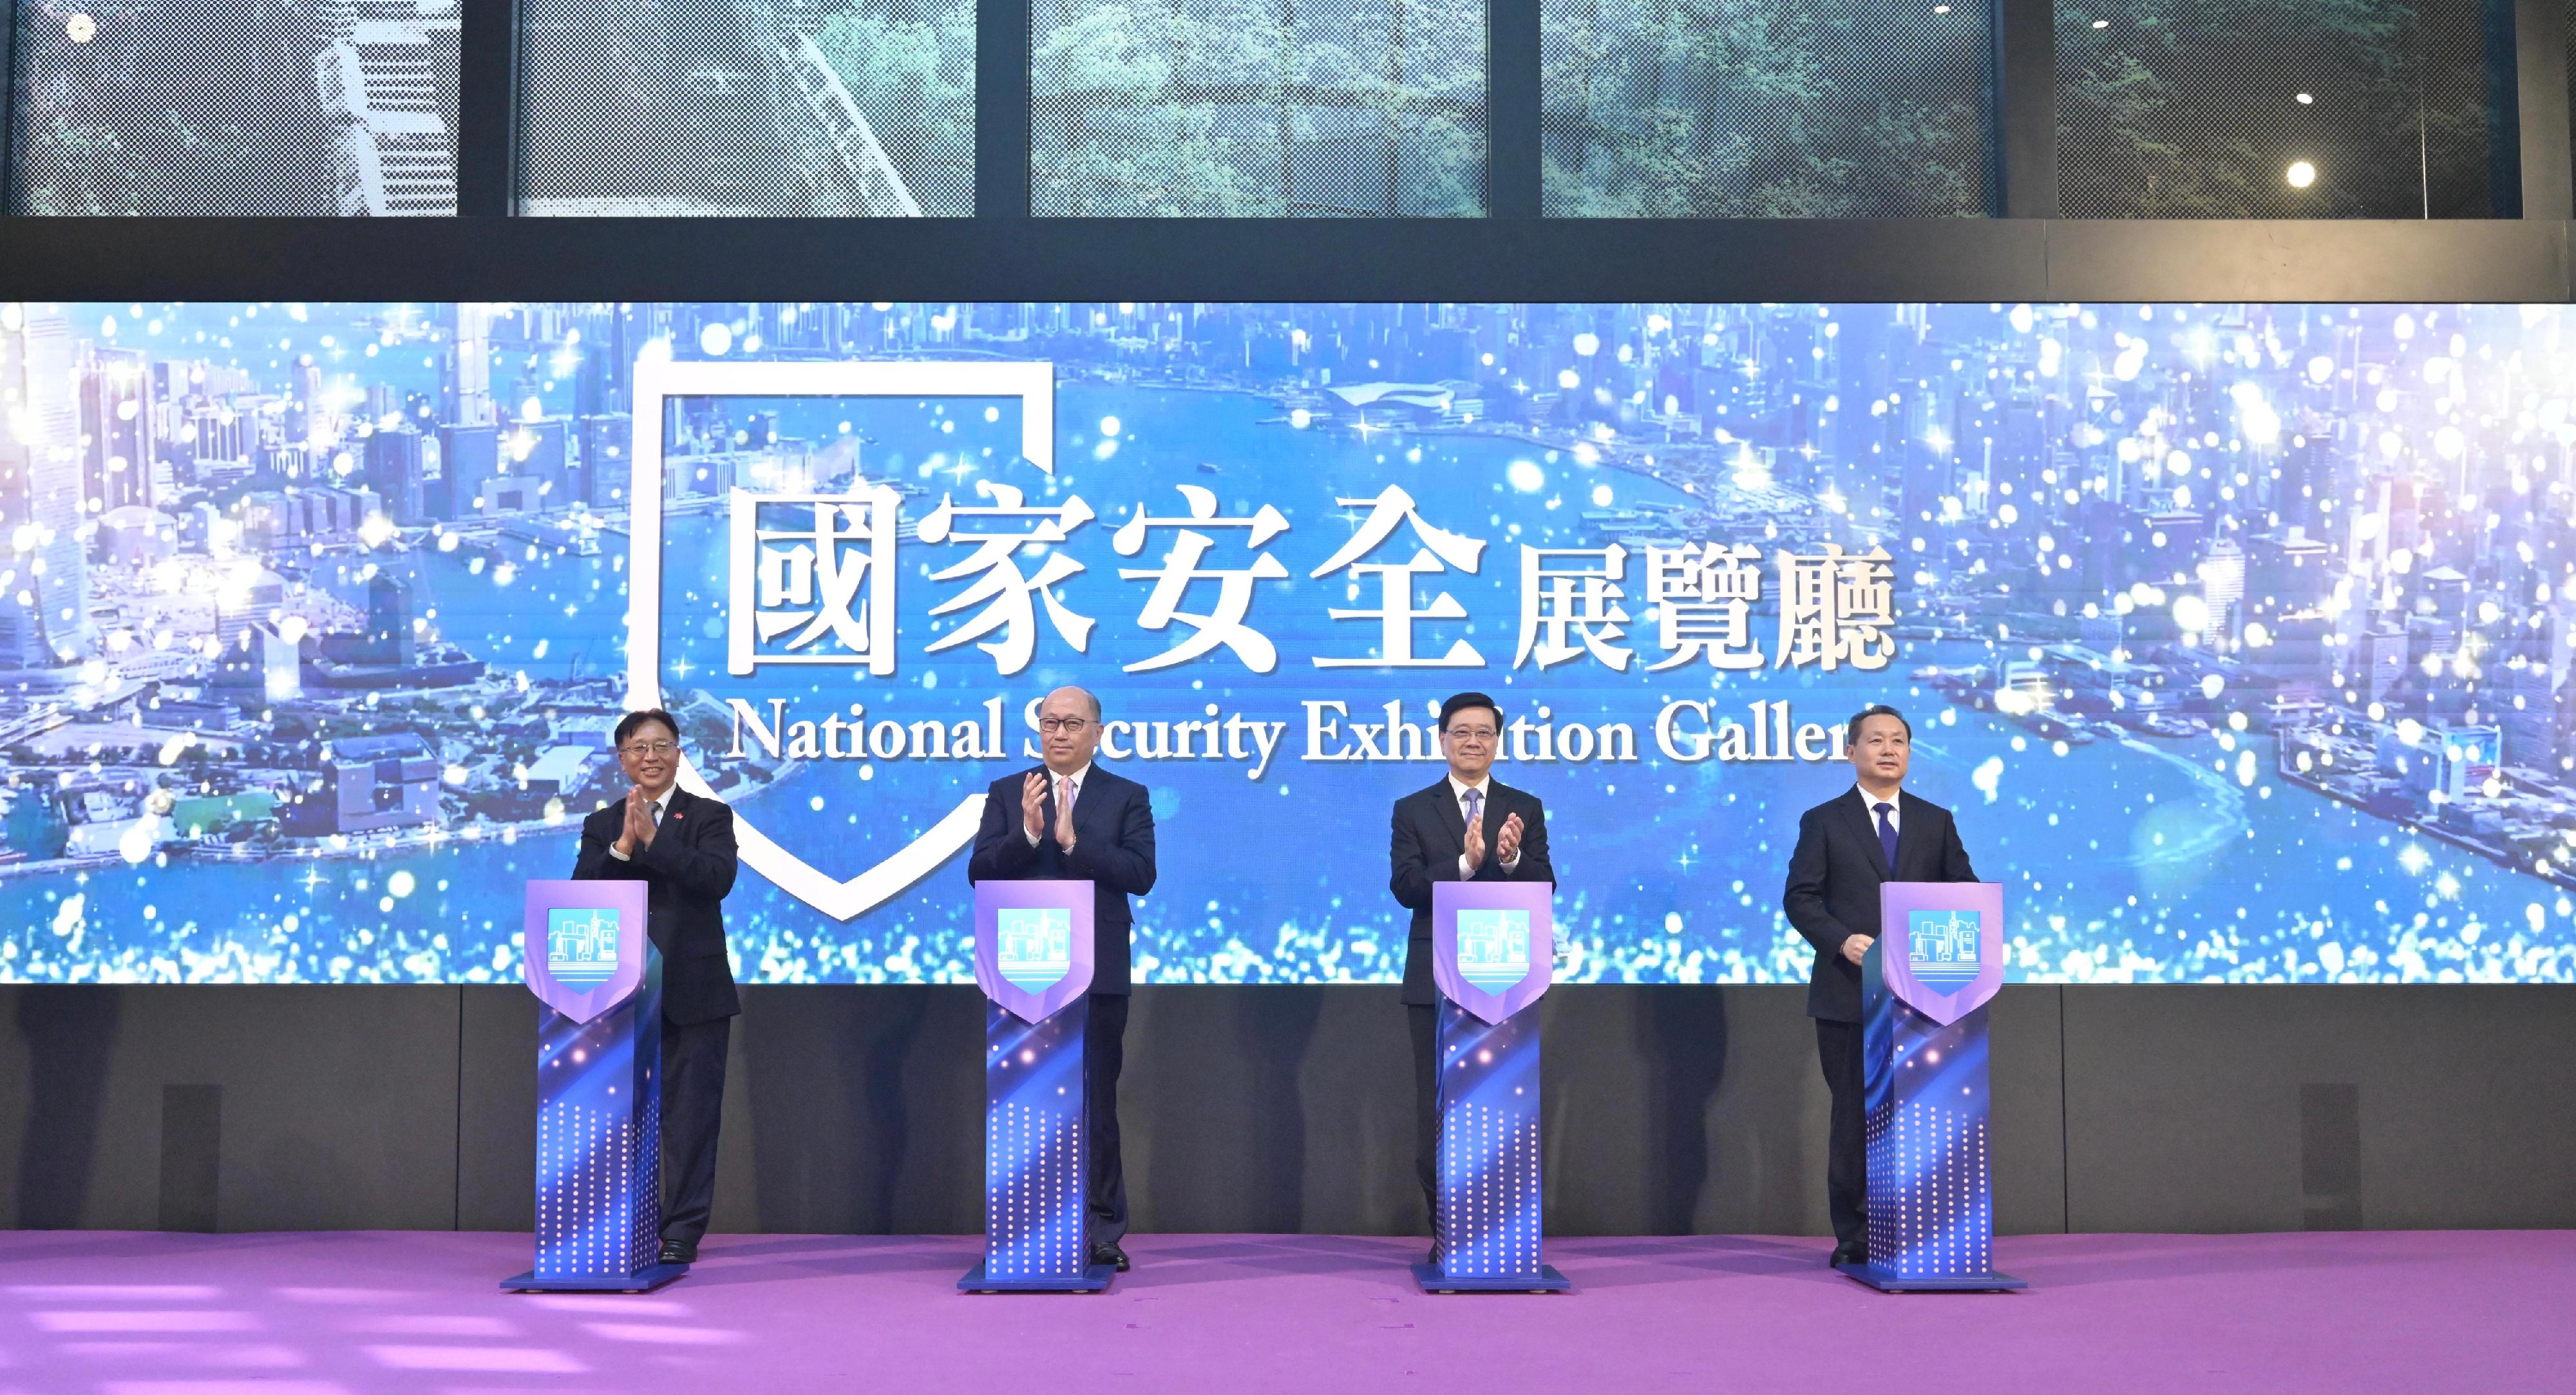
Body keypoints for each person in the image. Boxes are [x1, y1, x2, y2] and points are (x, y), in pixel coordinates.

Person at [967, 685, 1157, 1273]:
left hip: (1095, 974)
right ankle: (1024, 1225)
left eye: (1073, 724)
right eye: (1050, 723)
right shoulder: (1009, 792)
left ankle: (1101, 1230)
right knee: (1024, 1103)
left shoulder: (1127, 796)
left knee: (1094, 1101)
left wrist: (1075, 842)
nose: (1059, 733)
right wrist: (1026, 834)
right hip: (1021, 975)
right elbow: (980, 872)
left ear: (1098, 732)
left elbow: (1141, 875)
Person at [1782, 703, 1979, 1267]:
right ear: (1852, 752)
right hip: (1850, 994)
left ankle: (1920, 1228)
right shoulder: (1824, 820)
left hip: (1927, 998)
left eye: (1899, 741)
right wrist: (1843, 941)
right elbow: (1801, 898)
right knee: (1854, 1116)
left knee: (1919, 1115)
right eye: (1876, 741)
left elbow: (1962, 893)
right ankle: (1857, 1238)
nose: (1889, 750)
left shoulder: (1935, 821)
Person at [572, 707, 740, 1267]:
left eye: (663, 745)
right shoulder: (600, 824)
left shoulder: (711, 816)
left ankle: (681, 1233)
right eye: (639, 747)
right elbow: (584, 894)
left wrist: (655, 840)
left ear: (678, 753)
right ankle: (623, 1223)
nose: (651, 756)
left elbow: (716, 881)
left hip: (695, 993)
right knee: (621, 1116)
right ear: (622, 759)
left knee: (691, 1120)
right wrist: (623, 846)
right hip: (617, 998)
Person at [1387, 691, 1554, 1246]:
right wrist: (1465, 864)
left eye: (1484, 732)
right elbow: (1406, 887)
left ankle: (1503, 1235)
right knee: (1439, 1107)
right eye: (1462, 732)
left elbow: (1545, 884)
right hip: (1437, 976)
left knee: (1503, 1108)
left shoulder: (1523, 807)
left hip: (1508, 978)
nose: (1473, 741)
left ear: (1497, 742)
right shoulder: (1413, 808)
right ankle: (1450, 1233)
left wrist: (1509, 860)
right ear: (1442, 740)